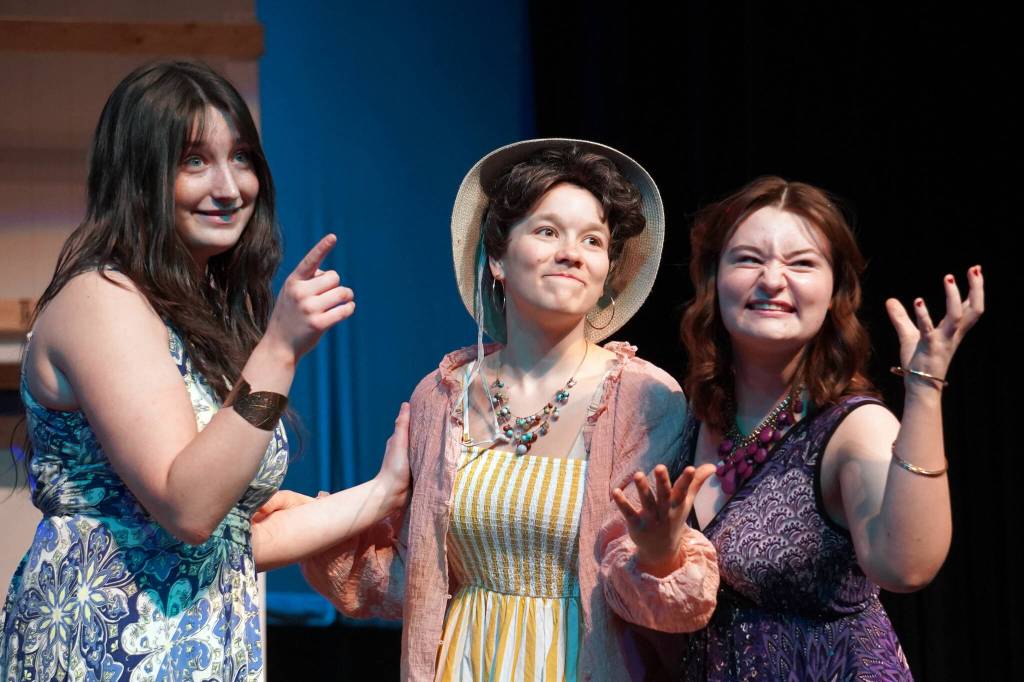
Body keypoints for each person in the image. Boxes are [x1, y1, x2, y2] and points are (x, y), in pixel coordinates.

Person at [0, 61, 410, 682]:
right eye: (194, 161)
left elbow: (229, 540)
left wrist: (385, 490)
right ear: (138, 176)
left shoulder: (198, 313)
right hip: (106, 650)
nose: (229, 187)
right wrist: (278, 349)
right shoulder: (103, 299)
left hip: (201, 643)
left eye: (241, 157)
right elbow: (189, 509)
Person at [297, 140, 720, 681]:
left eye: (593, 240)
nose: (572, 252)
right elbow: (414, 577)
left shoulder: (643, 397)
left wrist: (660, 556)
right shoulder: (440, 395)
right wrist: (297, 521)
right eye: (547, 231)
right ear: (497, 258)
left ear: (607, 272)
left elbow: (642, 595)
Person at [613, 176, 984, 679]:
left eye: (802, 262)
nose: (772, 279)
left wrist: (923, 388)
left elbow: (906, 567)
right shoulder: (694, 419)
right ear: (713, 280)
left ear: (835, 291)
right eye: (747, 259)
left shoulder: (854, 427)